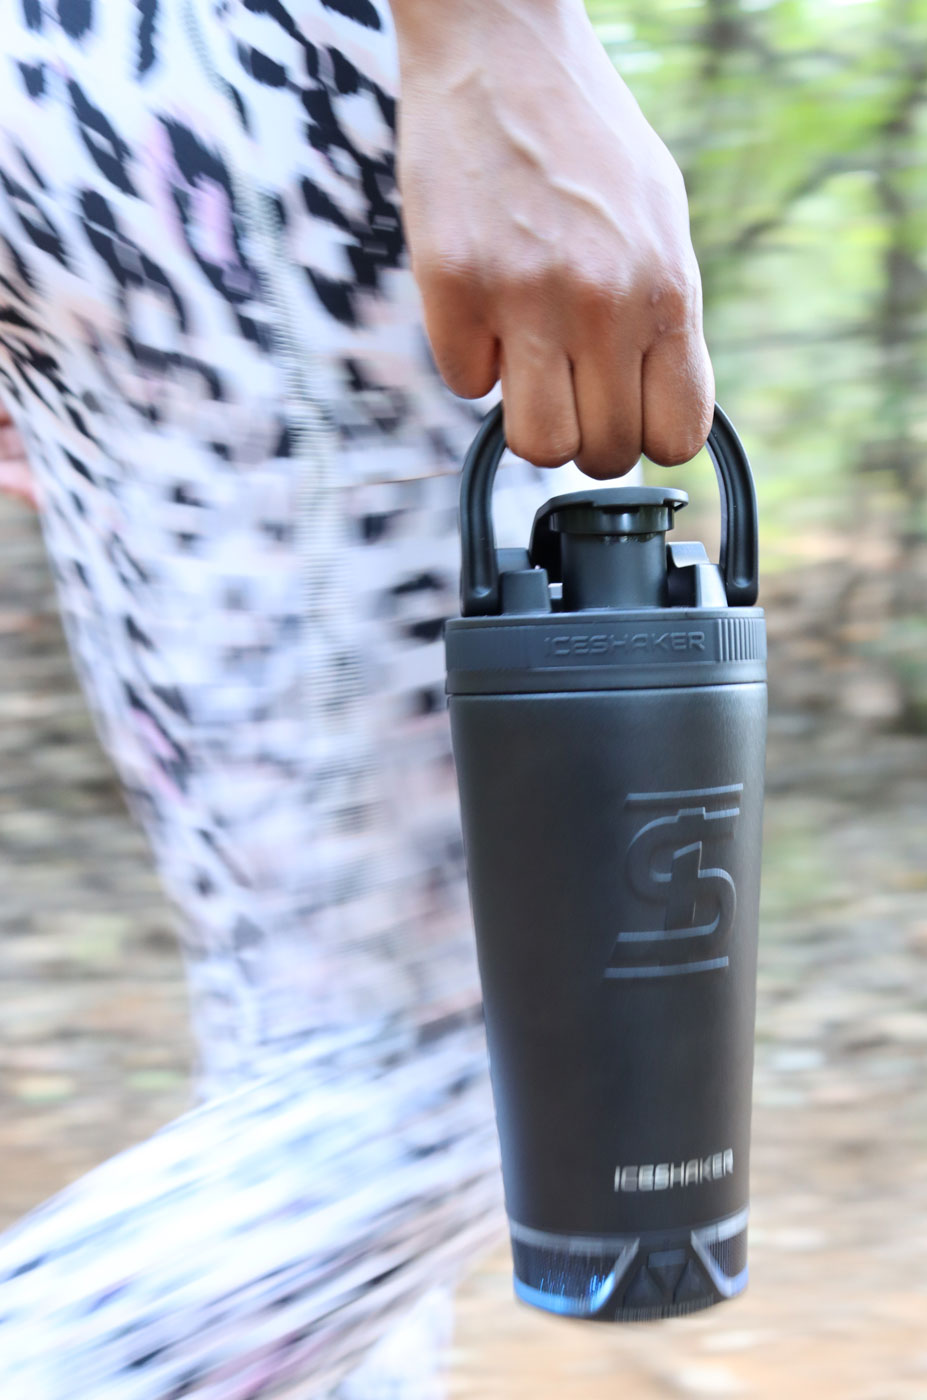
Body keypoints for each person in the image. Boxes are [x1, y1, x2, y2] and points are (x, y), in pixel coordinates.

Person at [0, 0, 714, 1396]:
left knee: (318, 1088)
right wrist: (500, 37)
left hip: (108, 119)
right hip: (267, 94)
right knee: (485, 1076)